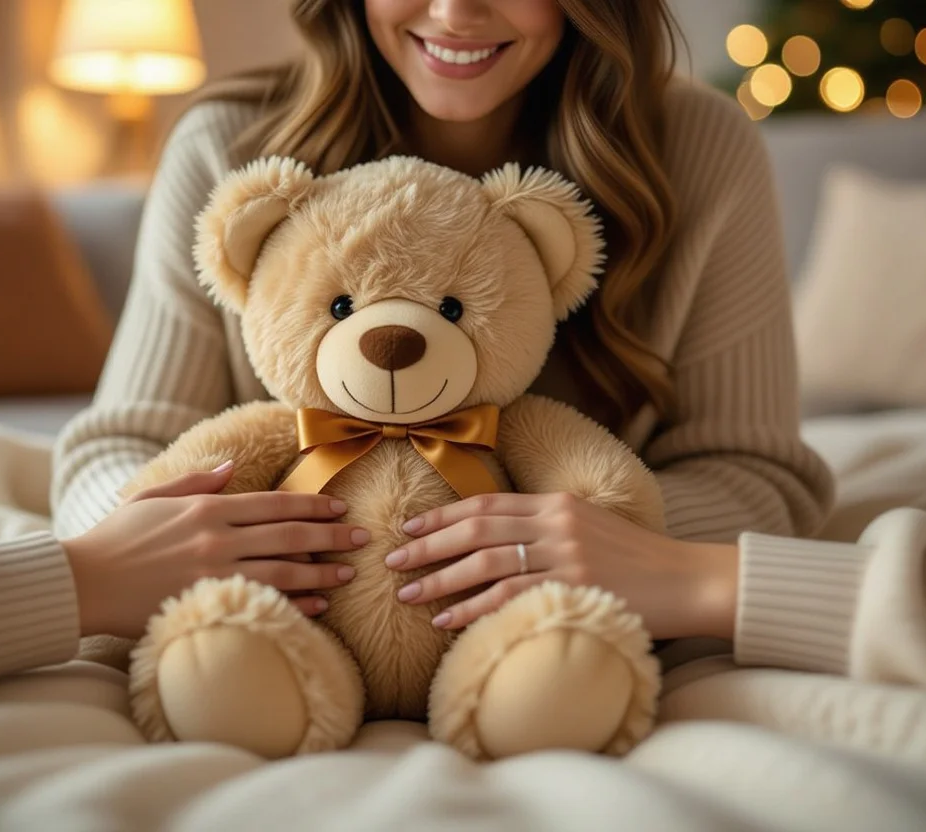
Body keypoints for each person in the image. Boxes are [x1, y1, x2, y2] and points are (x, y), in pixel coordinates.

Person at [50, 0, 840, 644]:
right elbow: (117, 448)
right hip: (295, 622)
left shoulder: (700, 149)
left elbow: (757, 475)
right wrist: (170, 541)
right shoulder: (230, 149)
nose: (456, 11)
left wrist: (612, 536)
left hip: (549, 633)